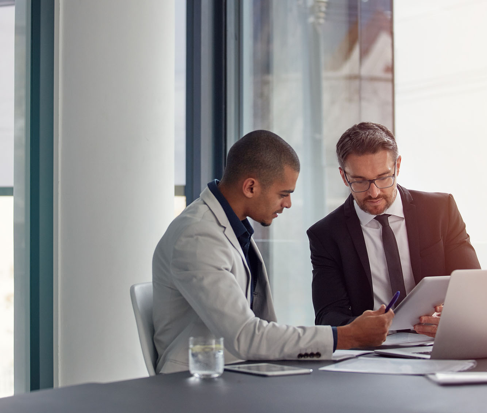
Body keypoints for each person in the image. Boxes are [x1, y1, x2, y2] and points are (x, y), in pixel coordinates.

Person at [153, 130, 393, 374]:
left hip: (238, 373)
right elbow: (245, 336)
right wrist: (345, 336)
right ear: (250, 187)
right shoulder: (198, 236)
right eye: (283, 194)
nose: (287, 204)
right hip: (196, 384)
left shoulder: (232, 228)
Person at [308, 122, 480, 336]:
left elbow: (475, 291)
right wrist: (360, 327)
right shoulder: (326, 235)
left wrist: (453, 318)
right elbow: (327, 316)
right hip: (372, 351)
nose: (374, 192)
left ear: (397, 166)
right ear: (344, 177)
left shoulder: (440, 211)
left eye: (383, 177)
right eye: (360, 181)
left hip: (439, 342)